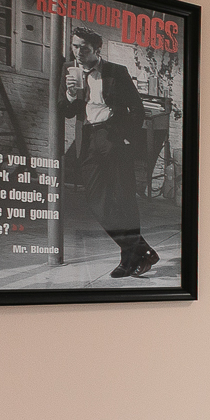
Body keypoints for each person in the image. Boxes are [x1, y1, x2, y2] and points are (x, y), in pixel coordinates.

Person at [62, 27, 159, 278]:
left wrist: (125, 138)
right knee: (98, 204)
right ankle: (142, 250)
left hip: (113, 139)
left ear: (96, 49)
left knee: (124, 201)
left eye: (84, 47)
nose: (78, 52)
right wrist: (71, 94)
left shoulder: (117, 72)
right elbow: (66, 111)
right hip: (88, 141)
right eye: (75, 46)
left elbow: (137, 109)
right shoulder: (69, 72)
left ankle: (128, 261)